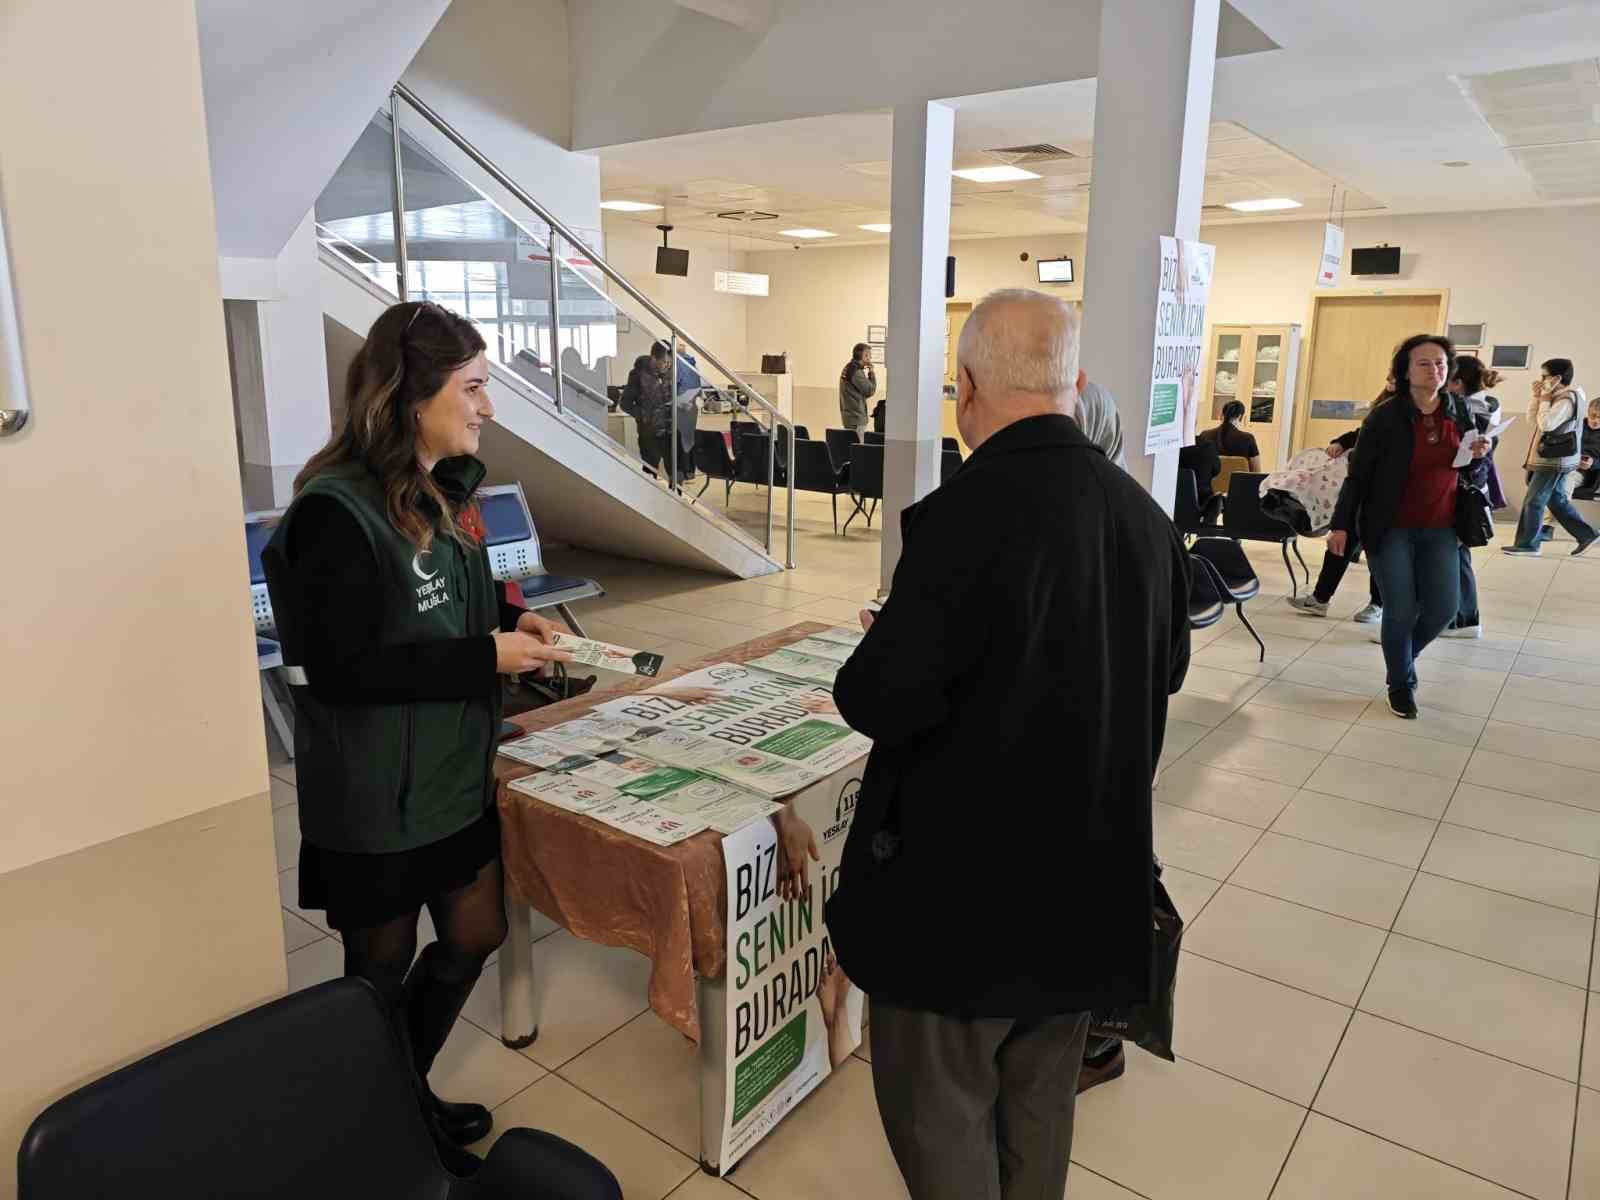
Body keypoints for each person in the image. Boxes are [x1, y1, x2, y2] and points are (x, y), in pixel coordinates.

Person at [824, 289, 1190, 1200]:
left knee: (942, 1116)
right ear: (1077, 382)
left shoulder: (960, 516)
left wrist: (894, 640)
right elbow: (1166, 668)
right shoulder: (1144, 517)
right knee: (1039, 1105)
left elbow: (875, 698)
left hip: (961, 904)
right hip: (1089, 884)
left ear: (968, 386)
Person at [261, 300, 574, 1176]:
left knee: (476, 934)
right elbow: (340, 669)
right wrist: (484, 656)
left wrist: (512, 623)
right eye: (472, 388)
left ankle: (397, 1089)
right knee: (378, 969)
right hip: (375, 796)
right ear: (411, 394)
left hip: (450, 774)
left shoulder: (445, 491)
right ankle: (375, 1126)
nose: (487, 407)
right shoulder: (332, 513)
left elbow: (448, 599)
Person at [1328, 335, 1490, 719]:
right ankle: (1400, 684)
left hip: (1442, 526)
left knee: (1443, 608)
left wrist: (1479, 456)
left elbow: (1470, 469)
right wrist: (1341, 526)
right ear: (1405, 371)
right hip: (1390, 527)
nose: (1435, 370)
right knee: (1400, 610)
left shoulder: (1459, 411)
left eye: (1441, 363)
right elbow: (1358, 477)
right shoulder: (1385, 416)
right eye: (1424, 363)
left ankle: (1401, 660)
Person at [1284, 426, 1384, 620]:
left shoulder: (1408, 421)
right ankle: (1320, 599)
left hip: (1385, 500)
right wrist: (1341, 442)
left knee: (1377, 552)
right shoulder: (1380, 417)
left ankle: (1378, 604)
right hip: (1360, 493)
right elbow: (1360, 433)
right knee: (1338, 547)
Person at [1505, 358, 1596, 556]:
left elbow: (1546, 425)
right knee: (1556, 500)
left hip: (1554, 461)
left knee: (1533, 501)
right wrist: (1537, 397)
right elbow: (1533, 421)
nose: (1541, 379)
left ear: (1557, 378)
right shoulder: (1556, 397)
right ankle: (1586, 534)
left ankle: (1528, 545)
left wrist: (1545, 398)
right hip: (1554, 459)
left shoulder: (1566, 399)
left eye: (1544, 376)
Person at [1441, 355, 1503, 637]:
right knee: (1457, 553)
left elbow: (1463, 453)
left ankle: (1461, 619)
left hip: (1462, 488)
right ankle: (1463, 618)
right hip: (1472, 487)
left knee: (1453, 554)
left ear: (1458, 382)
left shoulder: (1470, 409)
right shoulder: (1489, 403)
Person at [620, 341, 673, 477]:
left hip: (669, 430)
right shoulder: (638, 374)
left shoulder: (669, 373)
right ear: (654, 358)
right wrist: (644, 416)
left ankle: (673, 492)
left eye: (670, 362)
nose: (668, 365)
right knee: (650, 473)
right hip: (649, 433)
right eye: (665, 362)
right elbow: (625, 403)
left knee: (674, 473)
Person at [1196, 399, 1261, 471]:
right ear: (1240, 417)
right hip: (1237, 479)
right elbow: (1256, 472)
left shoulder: (1205, 435)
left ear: (1222, 416)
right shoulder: (1248, 439)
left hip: (1212, 478)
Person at [839, 343, 877, 433]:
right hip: (856, 418)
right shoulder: (856, 371)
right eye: (869, 355)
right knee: (857, 442)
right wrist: (871, 372)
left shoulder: (849, 367)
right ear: (865, 356)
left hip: (850, 416)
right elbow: (870, 391)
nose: (870, 358)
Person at [1574, 396, 1600, 498]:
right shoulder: (1575, 425)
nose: (1596, 421)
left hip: (1584, 473)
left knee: (1564, 484)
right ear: (1588, 412)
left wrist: (1593, 463)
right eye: (1593, 416)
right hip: (1564, 465)